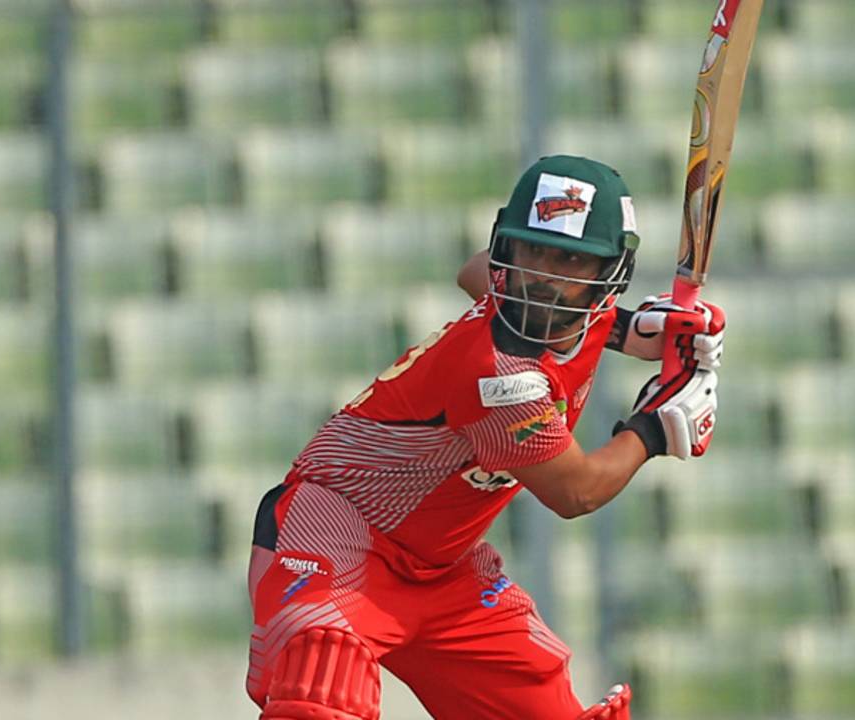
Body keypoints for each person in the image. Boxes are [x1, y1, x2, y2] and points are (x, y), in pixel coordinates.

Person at [245, 155, 726, 719]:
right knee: (323, 696)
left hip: (441, 568)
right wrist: (654, 425)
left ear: (608, 274)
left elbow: (473, 272)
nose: (545, 278)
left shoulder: (557, 306)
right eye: (533, 252)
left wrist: (626, 328)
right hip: (336, 536)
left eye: (571, 259)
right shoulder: (500, 376)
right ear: (508, 250)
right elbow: (577, 493)